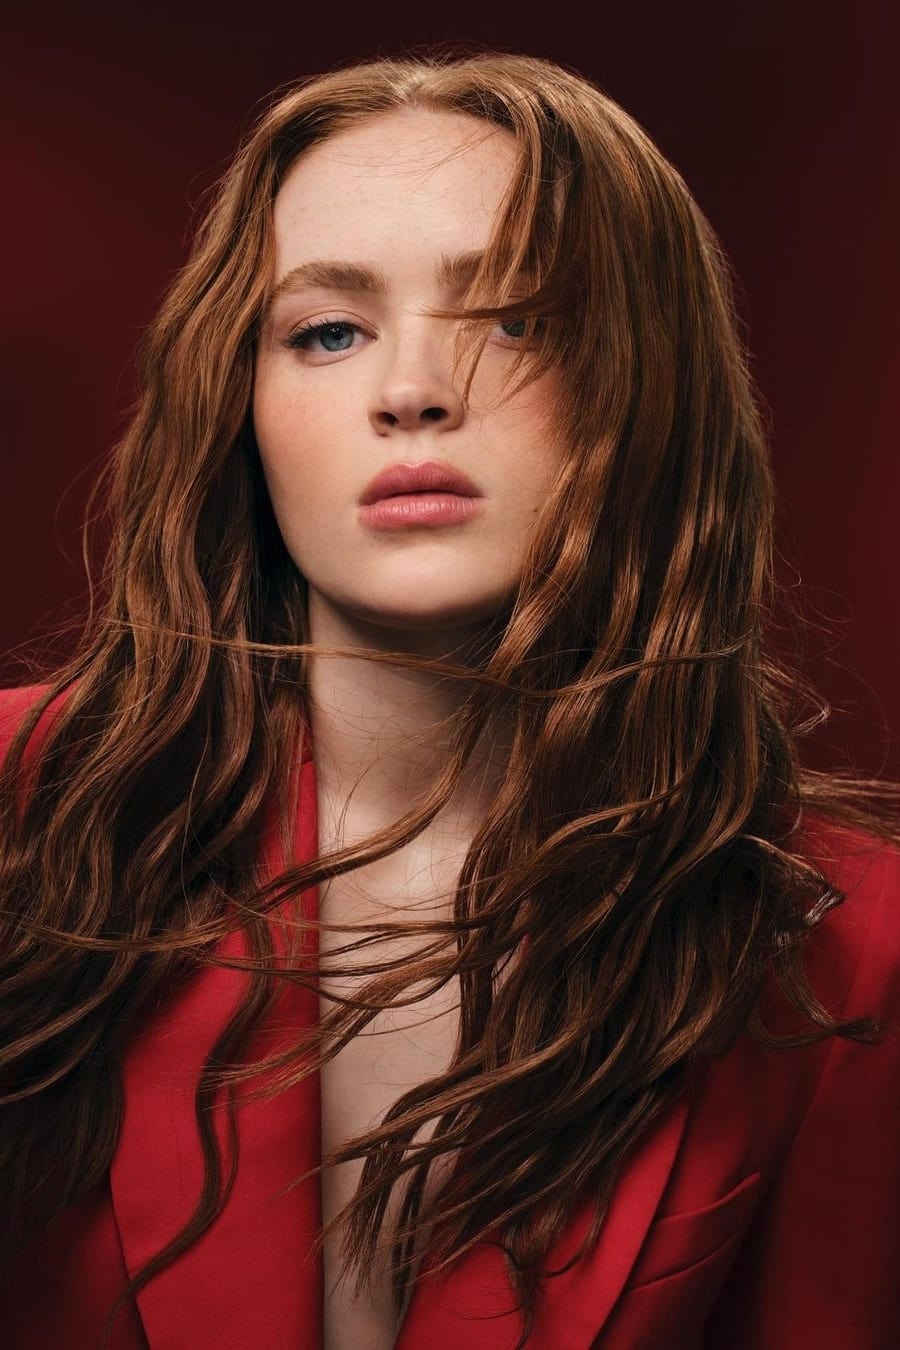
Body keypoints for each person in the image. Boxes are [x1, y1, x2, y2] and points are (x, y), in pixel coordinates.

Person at [1, 48, 898, 1350]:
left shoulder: (851, 943)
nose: (413, 390)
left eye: (516, 320)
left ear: (646, 386)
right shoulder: (19, 811)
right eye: (328, 331)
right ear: (239, 402)